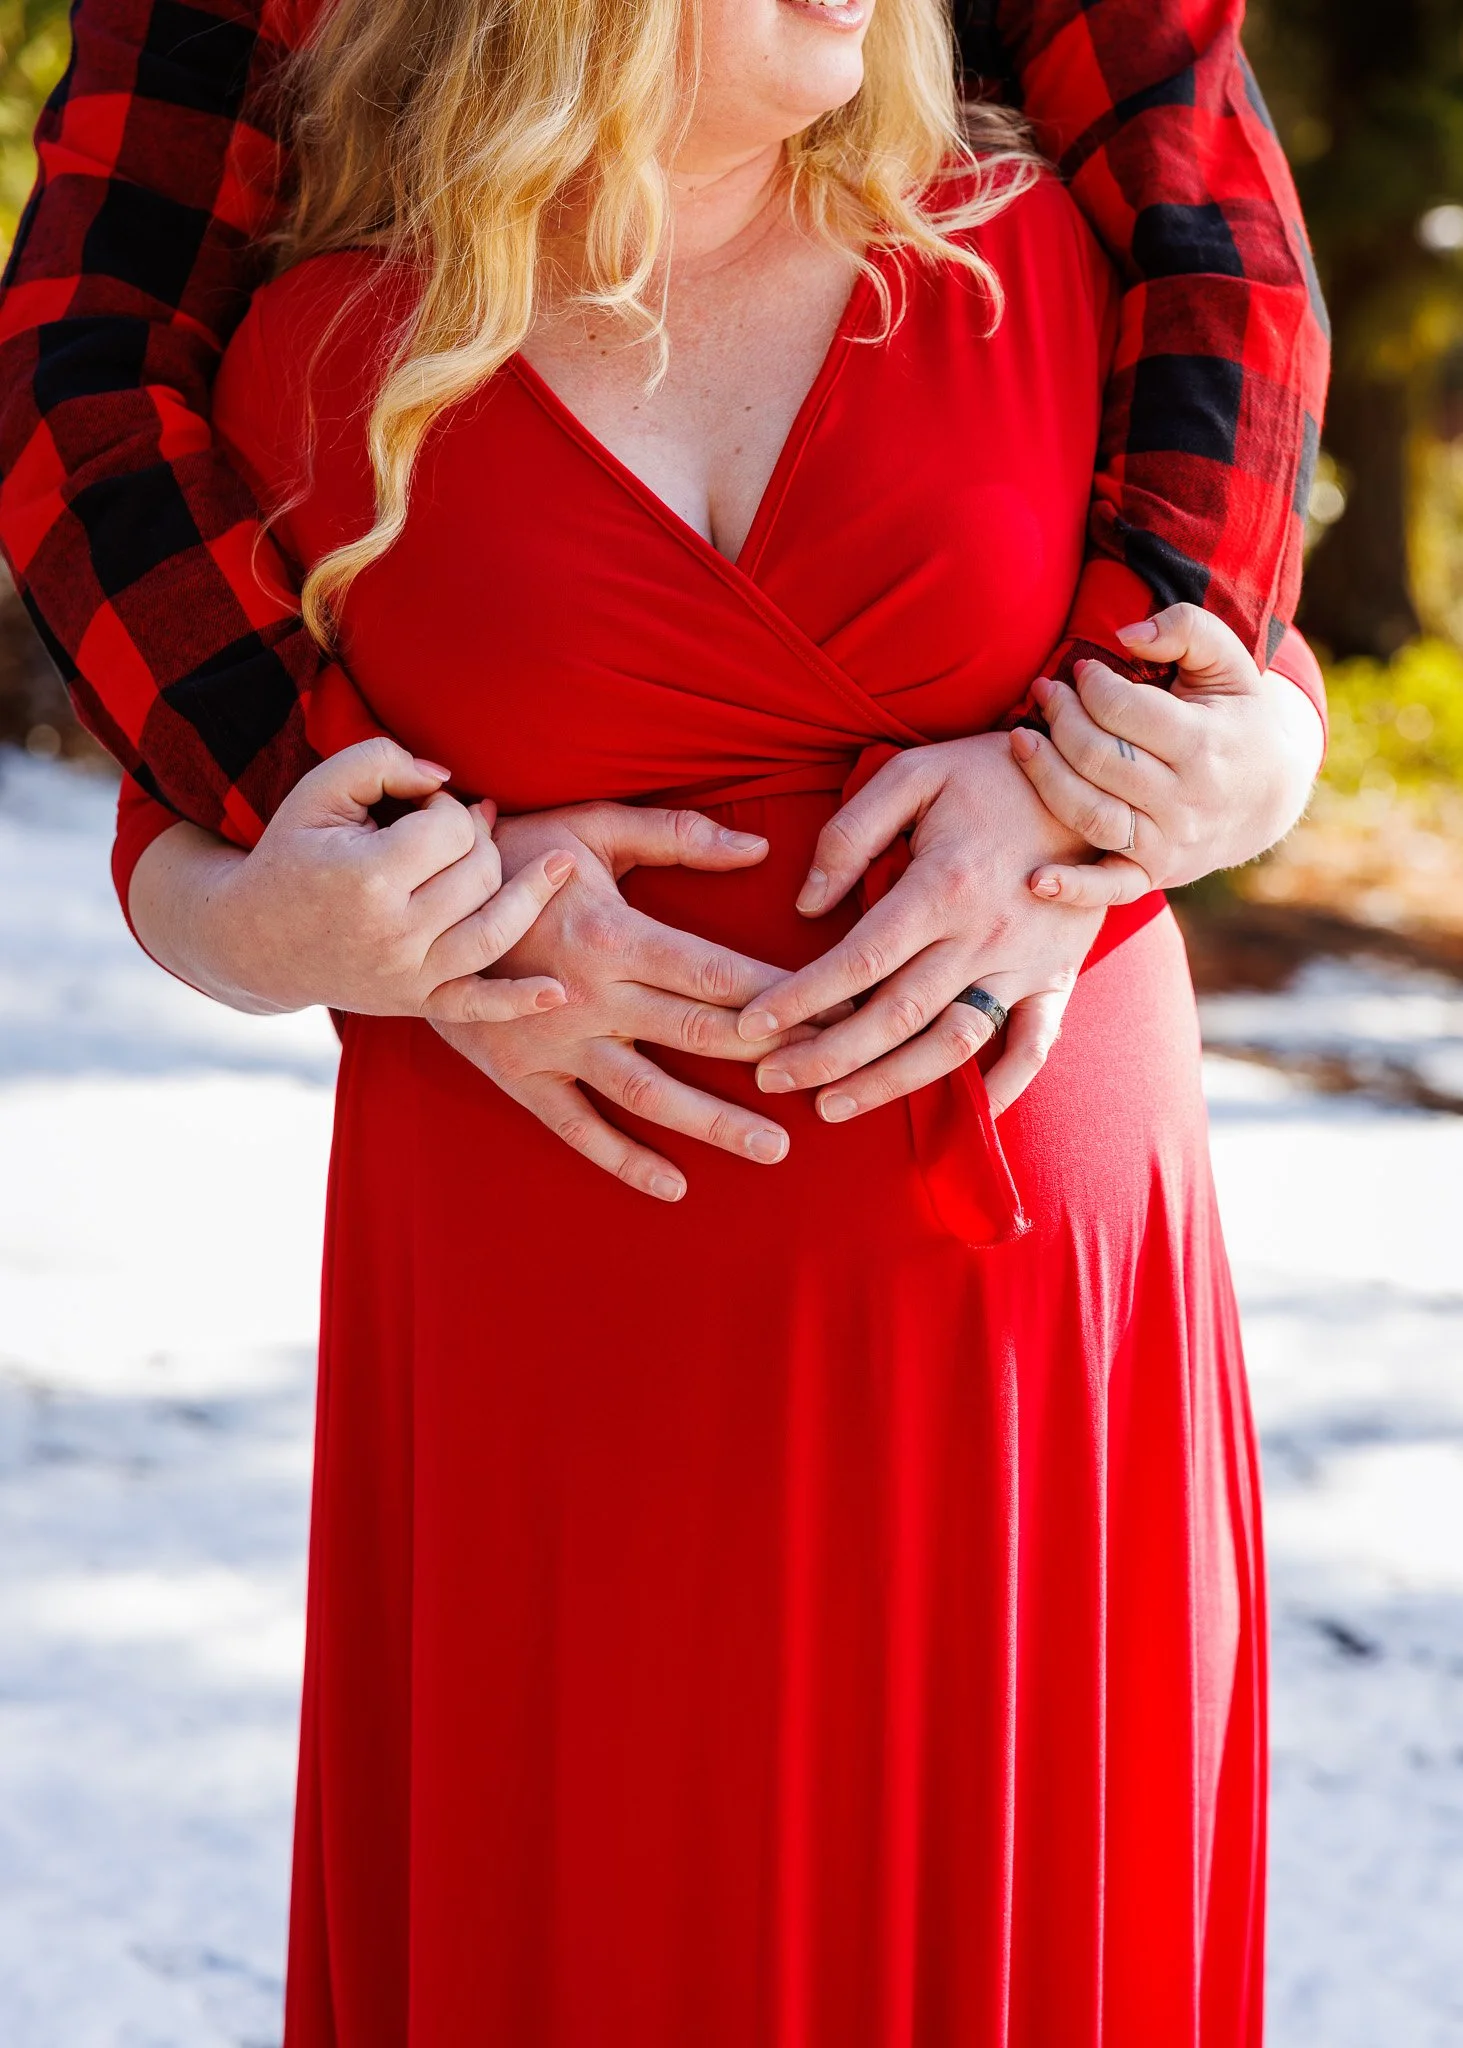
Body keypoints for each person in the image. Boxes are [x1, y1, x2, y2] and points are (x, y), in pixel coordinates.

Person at [74, 0, 1328, 2038]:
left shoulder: (1039, 246)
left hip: (1021, 1360)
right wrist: (340, 922)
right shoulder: (327, 355)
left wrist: (1218, 768)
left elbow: (1239, 631)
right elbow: (193, 832)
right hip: (566, 1355)